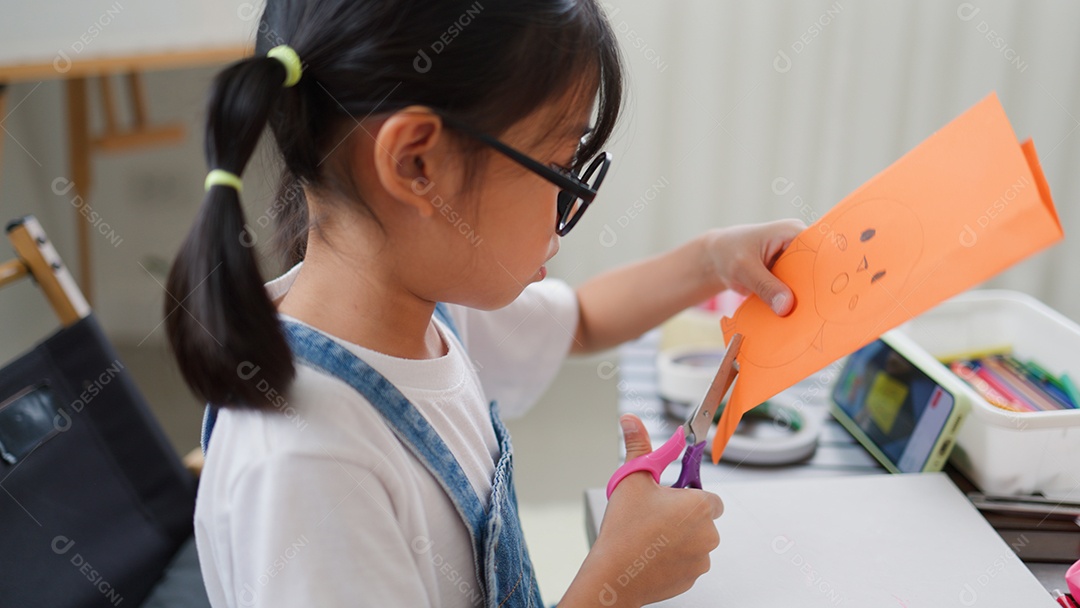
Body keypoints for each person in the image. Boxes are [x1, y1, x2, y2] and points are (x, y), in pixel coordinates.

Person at [165, 1, 802, 606]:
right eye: (559, 166)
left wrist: (713, 260)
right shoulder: (311, 467)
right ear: (416, 163)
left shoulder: (427, 307)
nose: (568, 200)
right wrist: (616, 582)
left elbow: (580, 321)